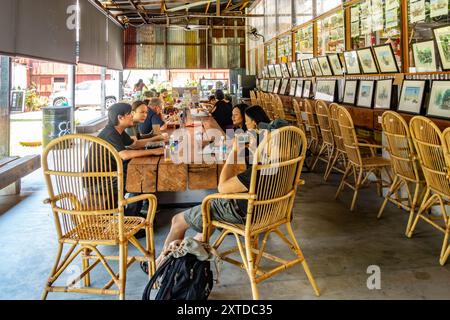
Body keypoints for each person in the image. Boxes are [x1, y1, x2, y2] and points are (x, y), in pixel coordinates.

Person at [154, 106, 271, 267]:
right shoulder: (280, 165)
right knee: (206, 219)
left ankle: (160, 265)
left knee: (178, 220)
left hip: (243, 212)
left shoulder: (256, 169)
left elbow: (222, 188)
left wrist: (234, 152)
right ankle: (186, 258)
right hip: (269, 211)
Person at [88, 103, 164, 217]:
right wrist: (153, 151)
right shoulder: (110, 133)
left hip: (108, 175)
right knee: (138, 180)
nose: (132, 116)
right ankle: (131, 217)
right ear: (120, 117)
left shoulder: (118, 130)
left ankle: (135, 213)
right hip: (98, 181)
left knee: (140, 175)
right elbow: (124, 154)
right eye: (129, 114)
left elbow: (135, 144)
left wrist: (156, 142)